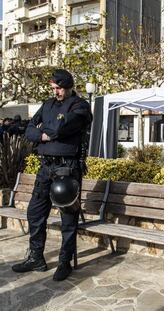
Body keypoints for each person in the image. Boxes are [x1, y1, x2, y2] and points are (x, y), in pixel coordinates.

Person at [11, 69, 92, 281]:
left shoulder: (80, 106)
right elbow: (28, 129)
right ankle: (36, 258)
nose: (55, 92)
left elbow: (62, 126)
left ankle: (64, 262)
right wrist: (45, 134)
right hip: (45, 167)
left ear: (68, 86)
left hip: (67, 167)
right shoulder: (47, 104)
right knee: (35, 213)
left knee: (68, 218)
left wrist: (46, 132)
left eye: (59, 88)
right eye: (53, 88)